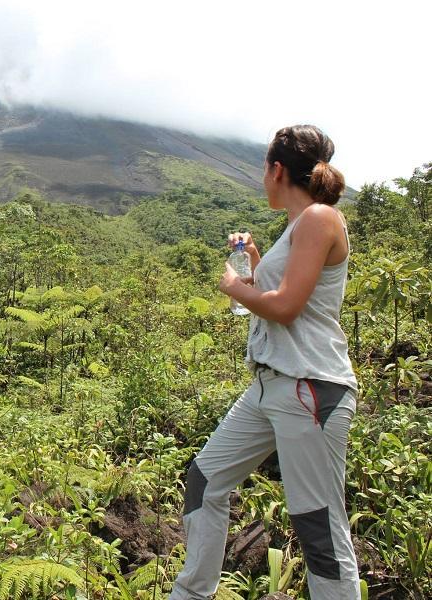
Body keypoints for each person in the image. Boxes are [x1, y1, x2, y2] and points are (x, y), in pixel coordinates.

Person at [168, 125, 360, 600]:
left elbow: (287, 306)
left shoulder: (320, 217)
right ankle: (192, 593)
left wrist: (235, 286)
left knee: (318, 525)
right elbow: (285, 292)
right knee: (205, 479)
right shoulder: (299, 226)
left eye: (263, 169)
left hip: (308, 386)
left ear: (276, 170)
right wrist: (255, 258)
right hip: (270, 386)